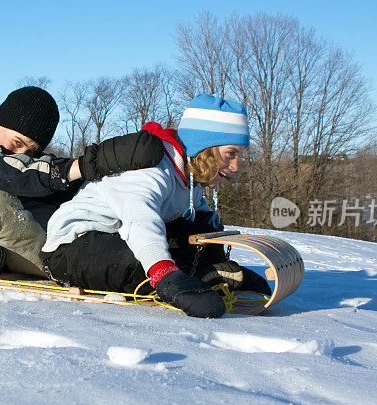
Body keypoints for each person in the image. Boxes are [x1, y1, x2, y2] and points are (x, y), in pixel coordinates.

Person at [0, 86, 165, 277]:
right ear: (0, 122)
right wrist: (83, 165)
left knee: (47, 205)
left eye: (30, 150)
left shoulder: (1, 144)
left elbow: (31, 176)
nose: (21, 153)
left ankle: (132, 255)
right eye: (19, 142)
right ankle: (71, 267)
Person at [41, 94, 271, 318]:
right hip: (72, 247)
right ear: (205, 147)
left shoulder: (187, 174)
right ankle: (182, 277)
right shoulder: (150, 169)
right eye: (230, 154)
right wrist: (165, 275)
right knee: (139, 265)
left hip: (115, 236)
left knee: (190, 231)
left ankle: (208, 271)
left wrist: (215, 259)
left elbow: (200, 219)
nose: (235, 166)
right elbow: (140, 221)